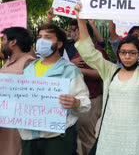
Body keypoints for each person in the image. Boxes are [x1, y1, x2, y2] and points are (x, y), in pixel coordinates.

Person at [74, 0, 139, 155]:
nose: (127, 56)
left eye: (132, 53)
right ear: (118, 54)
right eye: (123, 52)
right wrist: (80, 19)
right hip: (110, 133)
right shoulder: (110, 71)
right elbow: (89, 53)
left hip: (134, 135)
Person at [20, 24, 91, 155]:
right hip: (29, 135)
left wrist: (76, 102)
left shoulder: (70, 70)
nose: (41, 41)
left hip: (57, 137)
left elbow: (85, 102)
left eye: (47, 37)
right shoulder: (28, 69)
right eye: (39, 37)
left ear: (59, 44)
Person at [108, 20, 139, 131]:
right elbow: (112, 33)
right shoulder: (123, 49)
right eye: (135, 35)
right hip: (125, 100)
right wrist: (111, 11)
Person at [70, 20, 109, 155]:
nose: (74, 34)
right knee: (81, 136)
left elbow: (103, 73)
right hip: (77, 99)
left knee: (88, 137)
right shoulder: (77, 51)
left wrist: (81, 71)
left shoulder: (97, 52)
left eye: (77, 31)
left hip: (91, 99)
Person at [0, 27, 35, 155]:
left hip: (16, 128)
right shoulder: (7, 62)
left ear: (13, 42)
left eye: (4, 39)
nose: (2, 43)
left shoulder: (29, 63)